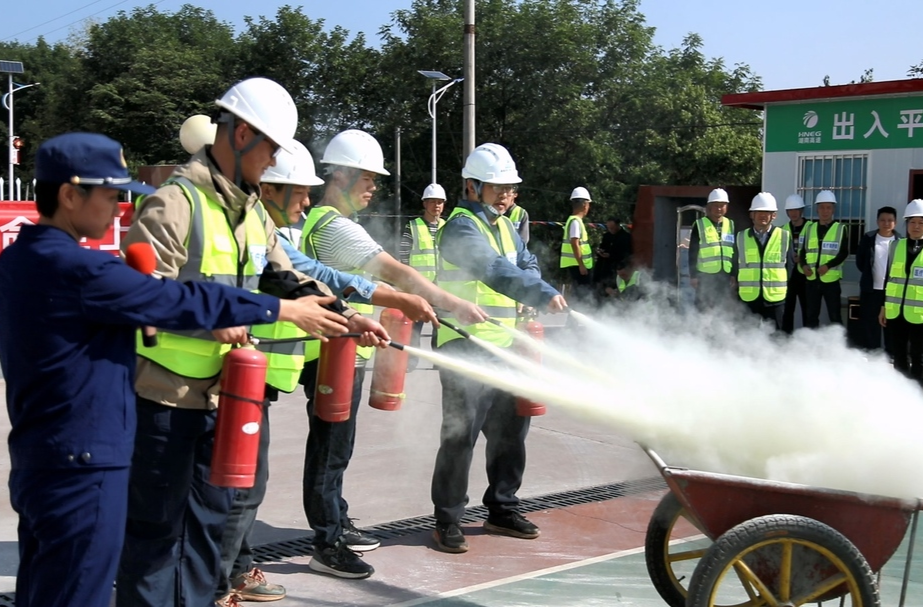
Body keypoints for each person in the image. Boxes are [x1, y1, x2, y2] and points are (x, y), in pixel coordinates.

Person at [0, 132, 352, 607]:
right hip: (86, 460)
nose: (117, 207)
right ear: (69, 194)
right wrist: (280, 310)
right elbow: (178, 297)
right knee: (79, 589)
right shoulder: (81, 270)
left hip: (42, 454)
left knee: (46, 587)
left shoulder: (19, 257)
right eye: (109, 194)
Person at [116, 79, 389, 607]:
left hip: (222, 400)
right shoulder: (176, 204)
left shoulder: (249, 213)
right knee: (155, 541)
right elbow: (141, 299)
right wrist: (226, 314)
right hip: (164, 403)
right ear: (240, 134)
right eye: (270, 149)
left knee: (205, 535)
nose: (272, 164)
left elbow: (283, 278)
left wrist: (347, 316)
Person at [216, 140, 431, 603]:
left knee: (247, 483)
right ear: (270, 188)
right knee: (236, 484)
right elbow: (304, 278)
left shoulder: (271, 228)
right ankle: (220, 577)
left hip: (259, 368)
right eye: (299, 192)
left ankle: (230, 571)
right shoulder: (247, 224)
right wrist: (390, 299)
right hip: (231, 372)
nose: (307, 202)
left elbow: (301, 277)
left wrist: (351, 317)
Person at [299, 129, 485, 579]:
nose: (373, 186)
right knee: (330, 450)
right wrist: (451, 302)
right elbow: (395, 273)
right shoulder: (334, 226)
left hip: (337, 348)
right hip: (331, 352)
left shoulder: (323, 221)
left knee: (337, 446)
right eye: (366, 177)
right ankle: (327, 542)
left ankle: (337, 520)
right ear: (339, 175)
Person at [432, 142, 568, 554]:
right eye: (497, 188)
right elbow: (492, 269)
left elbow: (524, 262)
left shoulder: (506, 225)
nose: (506, 196)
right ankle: (448, 518)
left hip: (506, 344)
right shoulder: (460, 226)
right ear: (472, 187)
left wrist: (531, 285)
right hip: (465, 345)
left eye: (510, 189)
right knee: (461, 435)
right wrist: (540, 292)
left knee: (511, 433)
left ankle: (502, 507)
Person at [399, 183, 446, 369]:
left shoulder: (448, 226)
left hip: (441, 287)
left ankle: (439, 361)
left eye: (440, 202)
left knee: (440, 327)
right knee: (414, 328)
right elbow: (404, 255)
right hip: (419, 286)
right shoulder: (413, 227)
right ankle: (410, 362)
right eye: (432, 202)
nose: (436, 206)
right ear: (424, 204)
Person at [880, 199, 923, 384]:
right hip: (895, 312)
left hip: (919, 315)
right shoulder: (895, 246)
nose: (916, 226)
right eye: (912, 222)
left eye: (921, 223)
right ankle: (901, 389)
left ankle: (917, 390)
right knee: (898, 353)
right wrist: (883, 307)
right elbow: (888, 278)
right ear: (906, 224)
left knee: (918, 354)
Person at [735, 193, 790, 330]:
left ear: (774, 215)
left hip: (775, 298)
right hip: (749, 298)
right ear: (751, 215)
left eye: (767, 212)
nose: (763, 215)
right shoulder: (741, 237)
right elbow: (735, 264)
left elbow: (791, 265)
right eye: (759, 212)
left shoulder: (784, 236)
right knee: (746, 336)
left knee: (776, 337)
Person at [800, 190, 847, 328]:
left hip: (831, 281)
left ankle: (838, 347)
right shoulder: (809, 228)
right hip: (812, 281)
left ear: (833, 209)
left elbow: (843, 253)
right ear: (817, 209)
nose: (825, 211)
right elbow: (803, 251)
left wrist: (828, 266)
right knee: (811, 316)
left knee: (835, 316)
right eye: (821, 207)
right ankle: (811, 345)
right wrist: (803, 266)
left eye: (828, 207)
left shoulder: (840, 228)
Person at [856, 206, 899, 352]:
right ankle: (872, 354)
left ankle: (891, 354)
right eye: (882, 220)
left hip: (893, 292)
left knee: (891, 325)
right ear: (877, 221)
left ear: (896, 222)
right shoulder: (868, 238)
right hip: (871, 289)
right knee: (869, 324)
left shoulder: (901, 241)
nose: (886, 223)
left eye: (890, 220)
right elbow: (860, 261)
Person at [689, 188, 736, 310]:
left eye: (722, 205)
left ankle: (720, 329)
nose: (719, 208)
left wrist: (733, 274)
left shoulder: (731, 224)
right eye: (716, 206)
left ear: (727, 207)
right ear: (709, 207)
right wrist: (693, 275)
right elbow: (692, 252)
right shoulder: (699, 224)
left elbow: (735, 251)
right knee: (703, 307)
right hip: (705, 275)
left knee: (722, 308)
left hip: (724, 275)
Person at [781, 194, 813, 334]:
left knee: (808, 310)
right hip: (788, 274)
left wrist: (803, 258)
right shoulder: (782, 229)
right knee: (787, 309)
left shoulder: (812, 227)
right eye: (790, 210)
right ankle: (786, 340)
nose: (793, 213)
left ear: (801, 210)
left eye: (796, 210)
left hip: (806, 274)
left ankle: (806, 341)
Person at [560, 186, 594, 303]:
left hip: (577, 264)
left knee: (580, 295)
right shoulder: (575, 222)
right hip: (578, 265)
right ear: (585, 205)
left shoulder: (574, 221)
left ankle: (573, 320)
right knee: (582, 296)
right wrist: (581, 265)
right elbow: (574, 243)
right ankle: (575, 319)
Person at [594, 217, 632, 287]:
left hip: (617, 268)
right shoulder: (607, 236)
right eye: (608, 228)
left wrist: (610, 255)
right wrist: (600, 251)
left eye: (612, 228)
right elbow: (603, 247)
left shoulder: (626, 237)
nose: (610, 230)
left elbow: (626, 253)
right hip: (604, 267)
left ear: (618, 225)